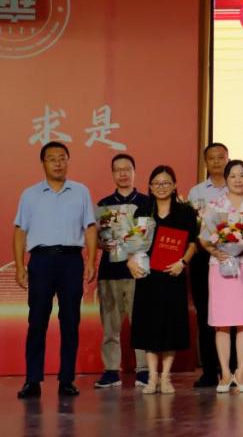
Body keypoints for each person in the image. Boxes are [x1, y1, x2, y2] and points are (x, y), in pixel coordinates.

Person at [14, 142, 98, 399]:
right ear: (43, 163)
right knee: (37, 320)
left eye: (62, 158)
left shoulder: (81, 191)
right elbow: (20, 231)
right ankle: (32, 380)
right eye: (52, 159)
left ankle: (66, 380)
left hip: (72, 261)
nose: (58, 163)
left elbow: (90, 228)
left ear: (68, 161)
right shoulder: (30, 195)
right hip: (41, 261)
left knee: (70, 321)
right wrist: (20, 265)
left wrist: (91, 261)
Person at [198, 160, 243, 394]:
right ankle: (224, 374)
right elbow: (203, 237)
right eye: (233, 176)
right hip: (220, 266)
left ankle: (240, 373)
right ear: (226, 180)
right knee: (221, 323)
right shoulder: (215, 205)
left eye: (242, 175)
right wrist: (216, 251)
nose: (238, 180)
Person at [127, 166, 198, 395]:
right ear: (150, 186)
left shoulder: (185, 212)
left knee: (170, 326)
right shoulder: (142, 212)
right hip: (148, 277)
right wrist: (130, 262)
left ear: (175, 186)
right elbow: (132, 243)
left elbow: (193, 244)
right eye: (156, 183)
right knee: (150, 326)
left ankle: (166, 377)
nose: (161, 187)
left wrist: (182, 263)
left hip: (173, 275)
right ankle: (152, 377)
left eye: (166, 183)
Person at [93, 153, 150, 389]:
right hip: (111, 272)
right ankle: (111, 371)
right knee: (110, 324)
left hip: (139, 272)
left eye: (127, 169)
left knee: (142, 323)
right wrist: (102, 243)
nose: (123, 173)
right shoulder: (103, 205)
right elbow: (95, 237)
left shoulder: (147, 202)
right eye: (118, 170)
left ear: (134, 172)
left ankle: (144, 370)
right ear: (112, 174)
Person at [186, 142, 240, 388]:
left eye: (221, 157)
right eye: (212, 158)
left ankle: (233, 370)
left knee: (233, 314)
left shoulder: (240, 186)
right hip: (203, 258)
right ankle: (209, 371)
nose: (217, 161)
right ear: (205, 162)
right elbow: (191, 228)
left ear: (228, 159)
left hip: (233, 257)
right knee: (206, 314)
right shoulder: (196, 192)